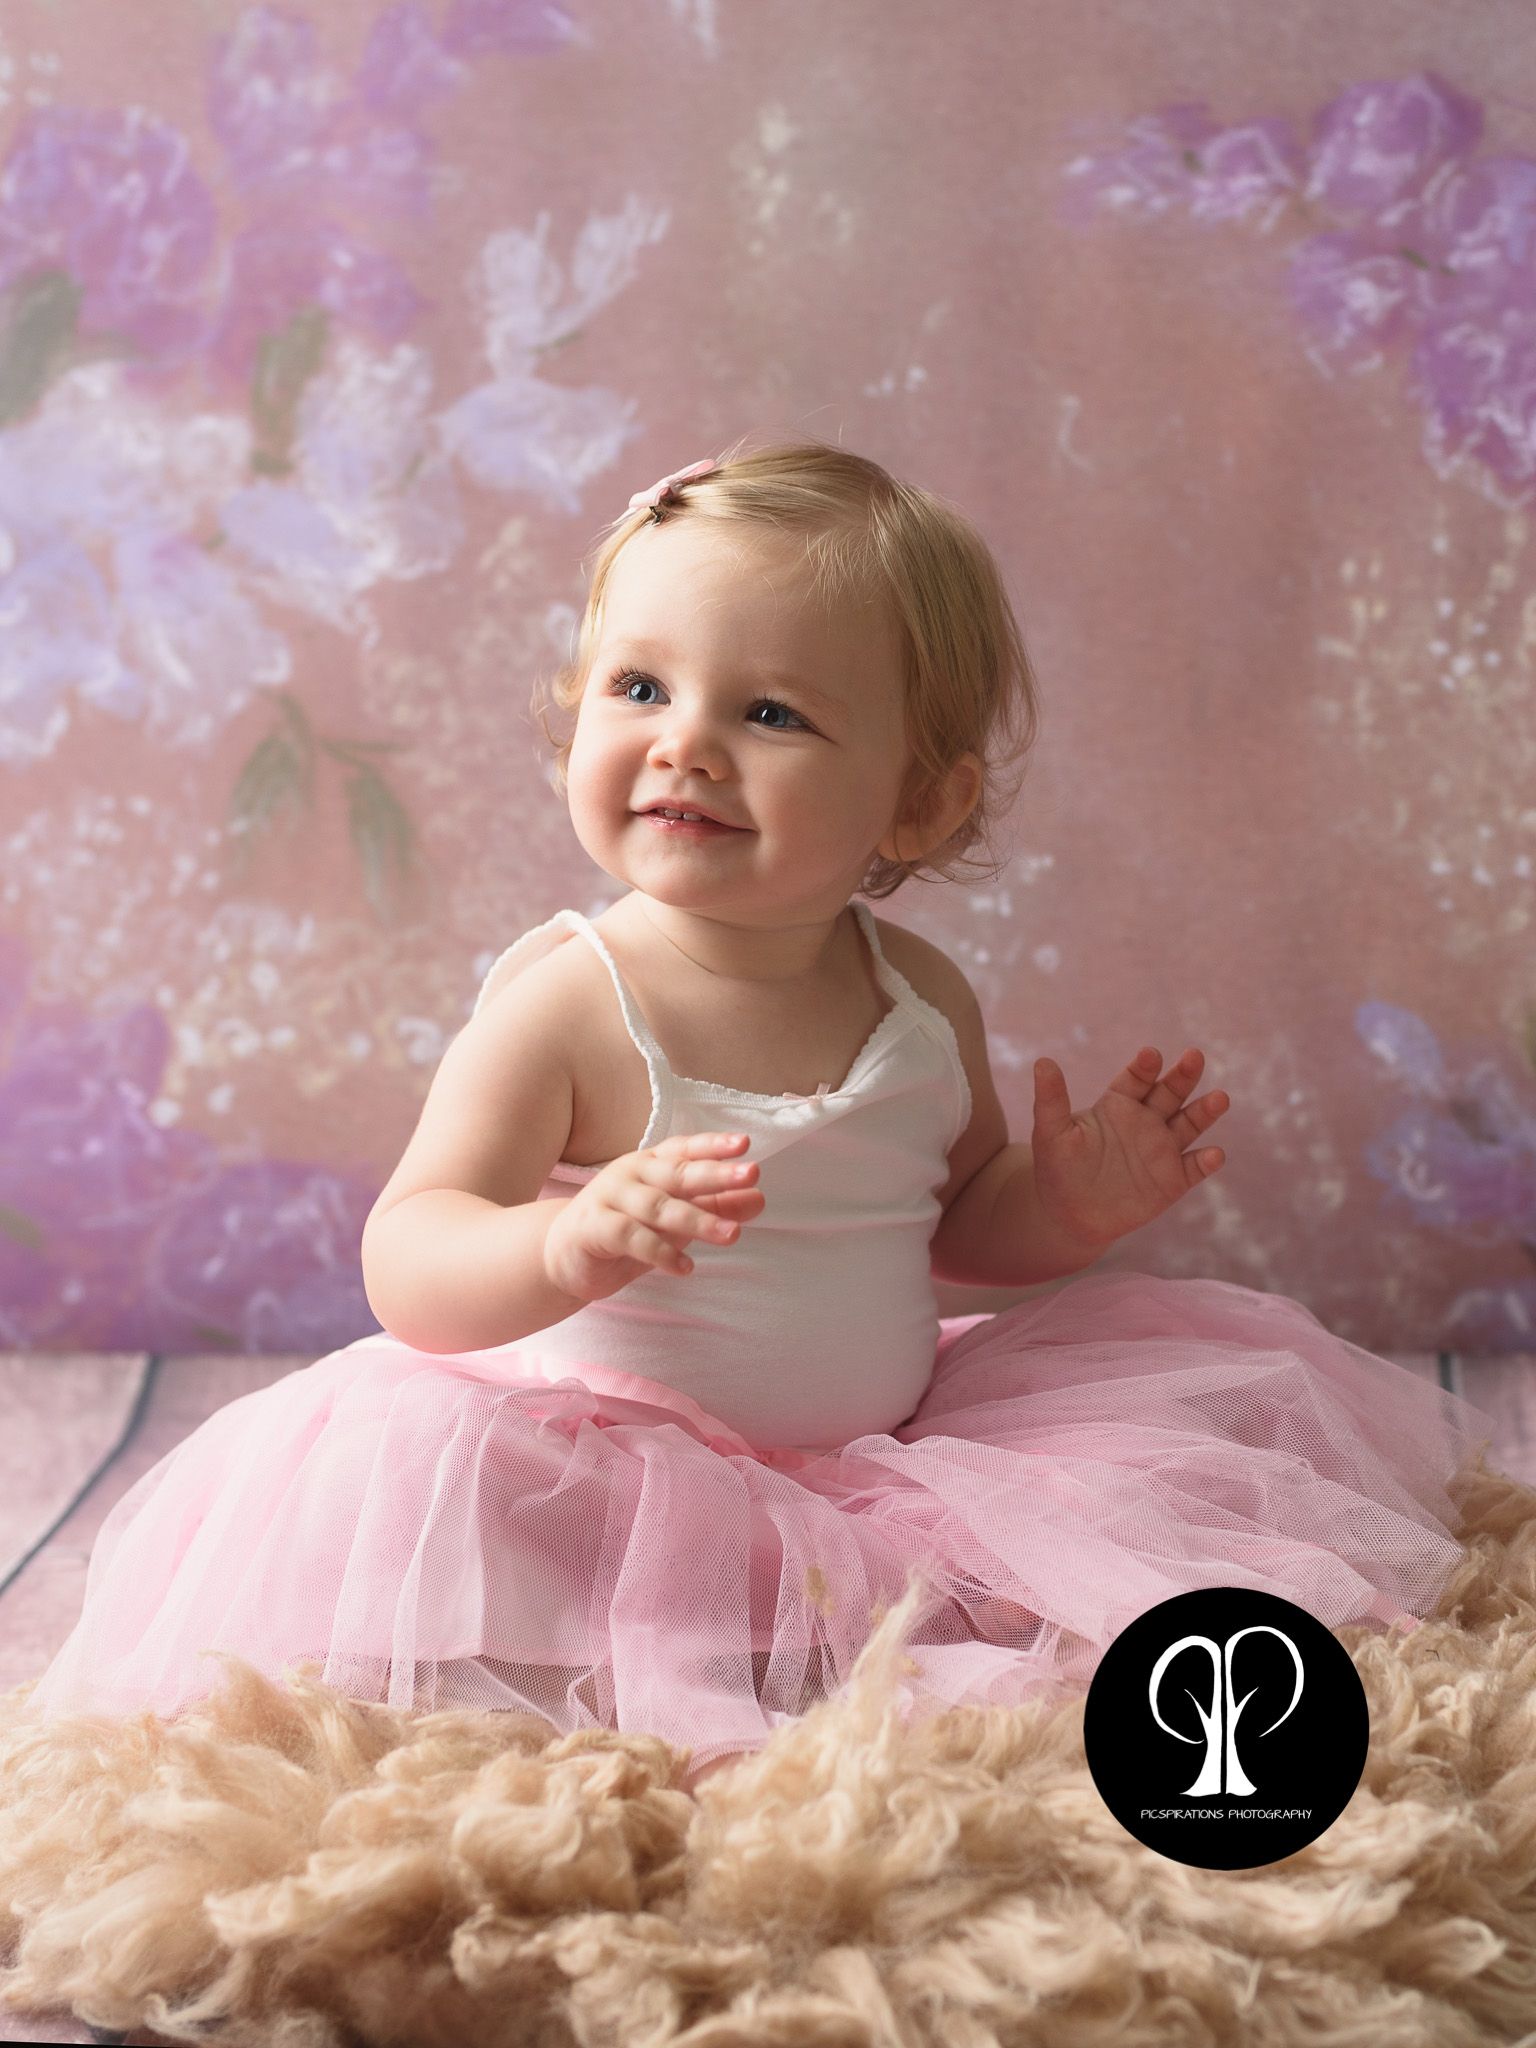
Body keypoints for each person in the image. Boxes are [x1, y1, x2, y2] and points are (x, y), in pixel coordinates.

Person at [23, 437, 1496, 1791]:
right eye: (639, 688)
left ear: (917, 806)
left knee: (1092, 1607)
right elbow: (408, 1253)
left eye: (771, 711)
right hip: (602, 1478)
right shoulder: (572, 1003)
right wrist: (562, 1248)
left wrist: (1062, 1205)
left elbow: (948, 1226)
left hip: (878, 1472)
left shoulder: (917, 998)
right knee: (484, 1572)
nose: (686, 744)